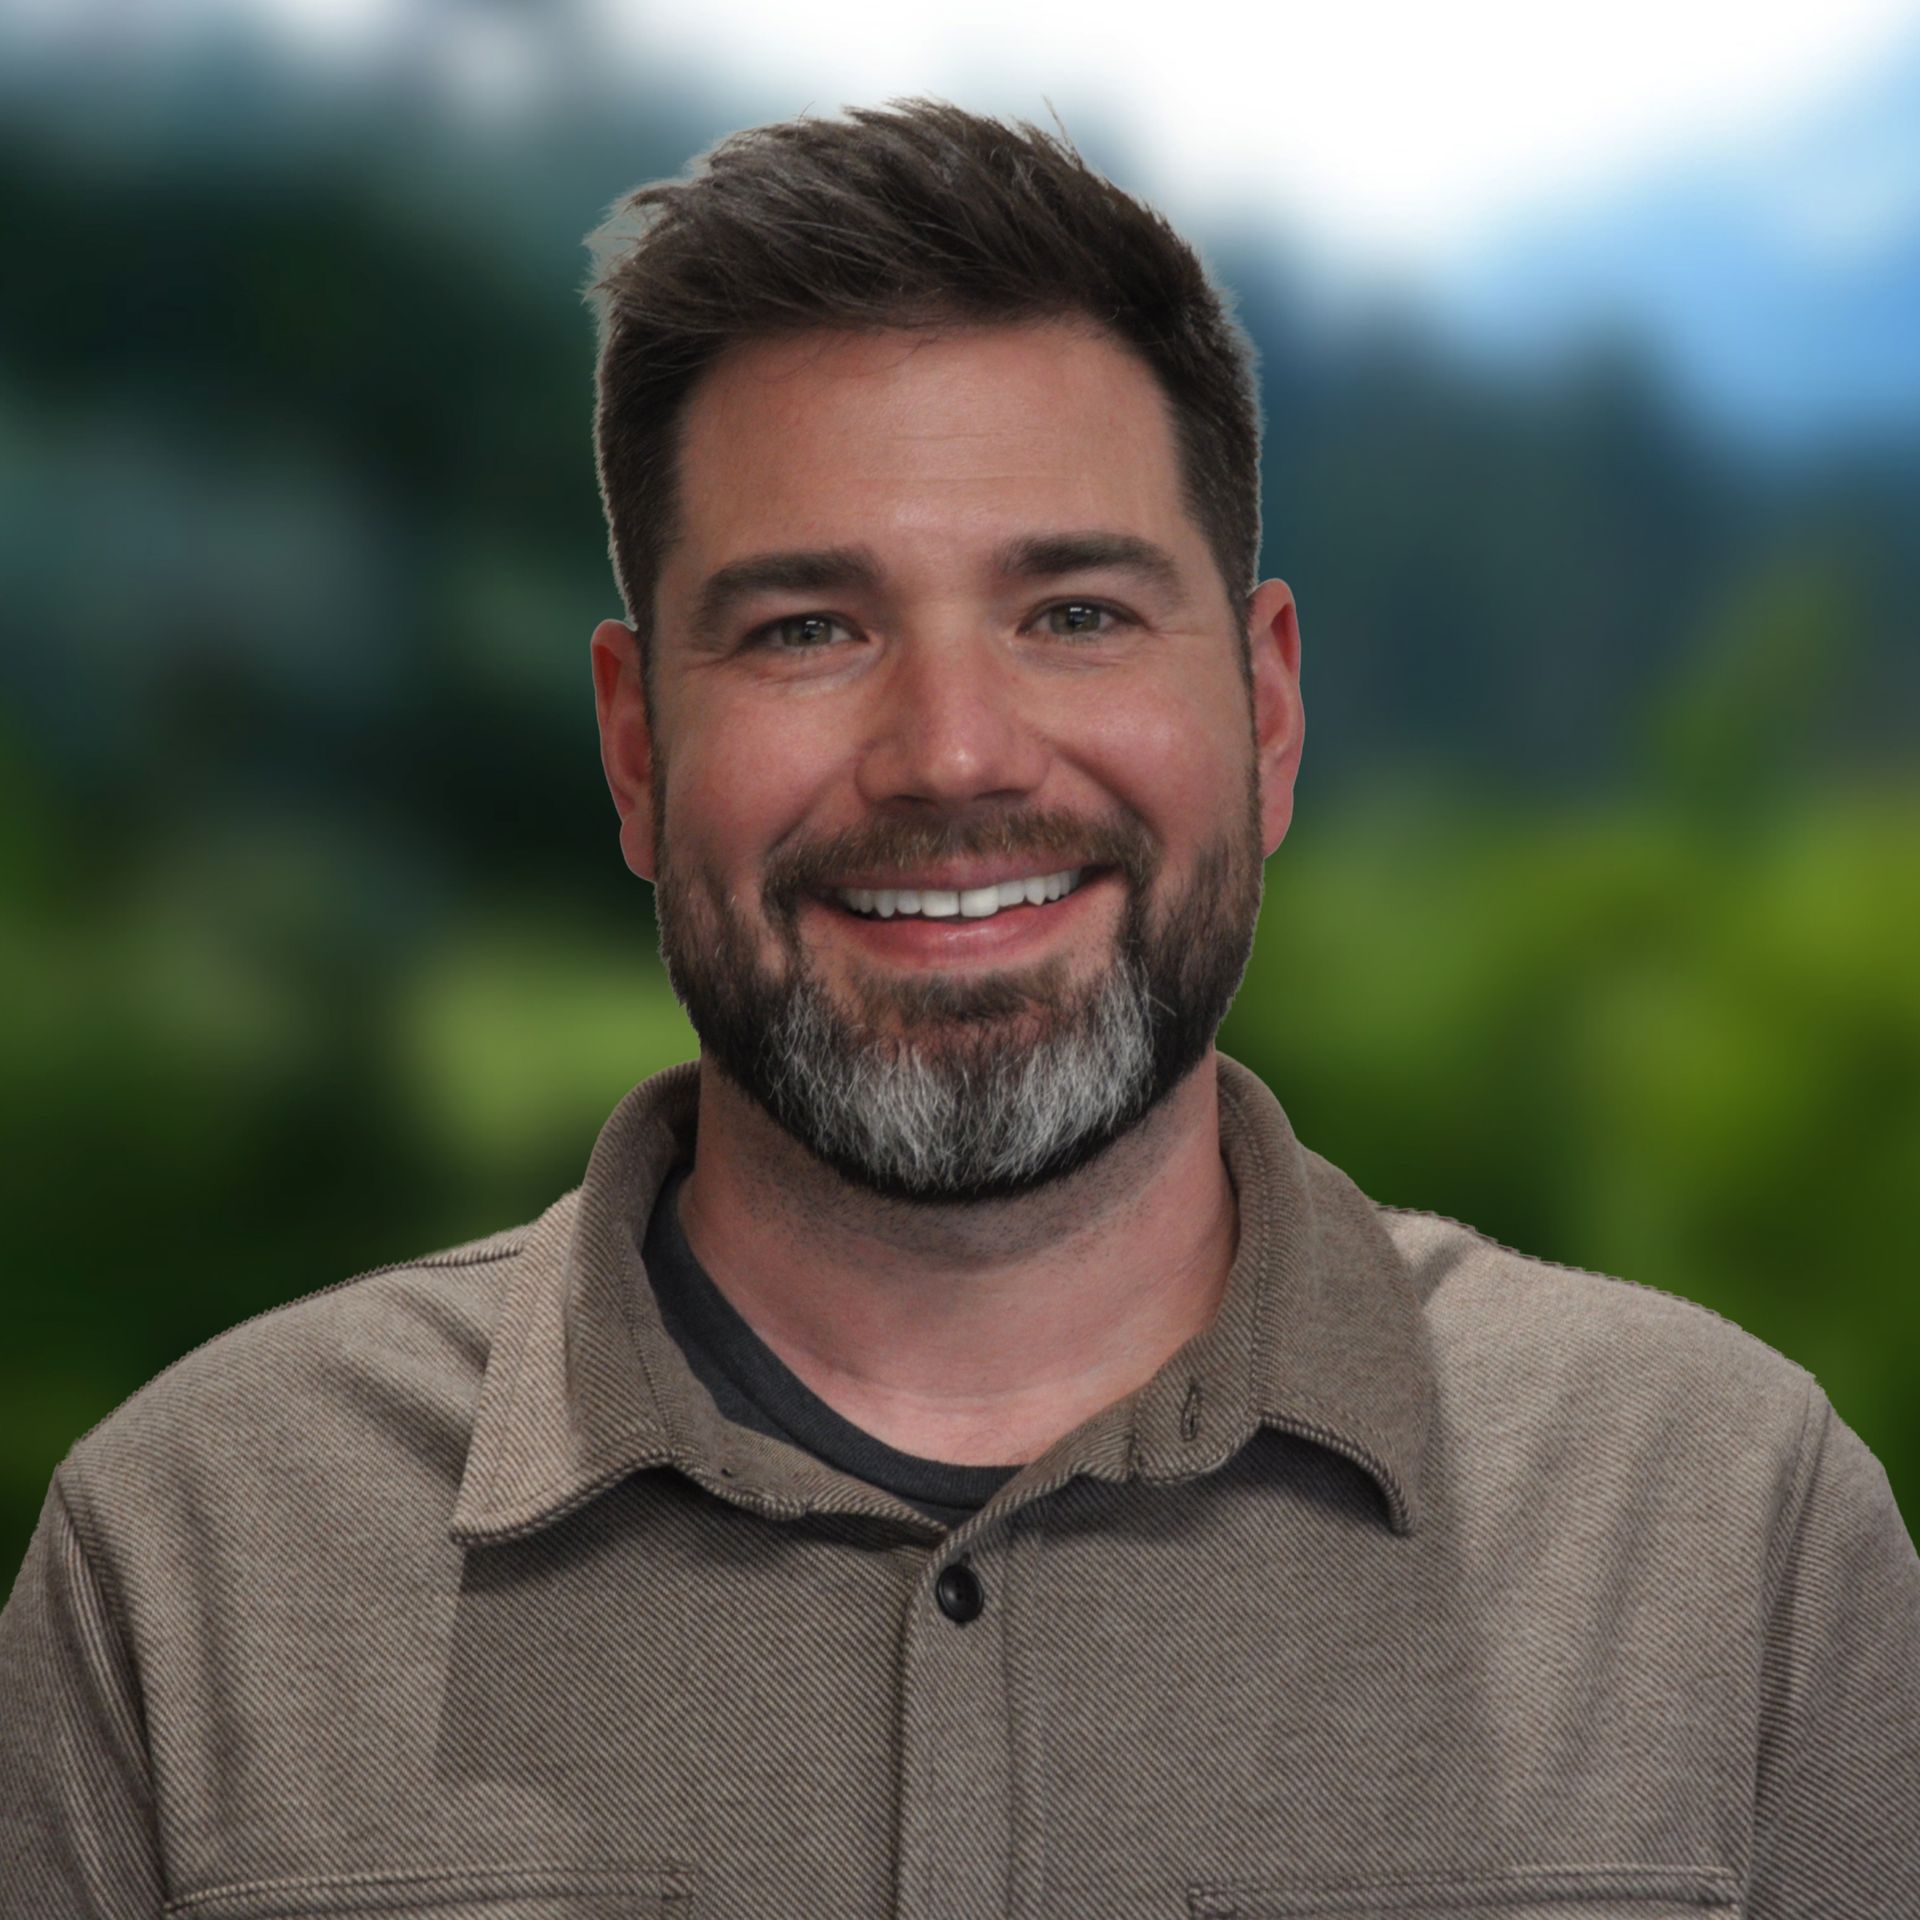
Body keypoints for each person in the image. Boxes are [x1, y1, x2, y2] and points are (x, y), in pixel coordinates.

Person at [2, 98, 1914, 1920]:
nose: (953, 752)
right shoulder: (187, 1561)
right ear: (636, 745)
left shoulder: (1724, 1525)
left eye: (1074, 613)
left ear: (1266, 712)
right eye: (806, 629)